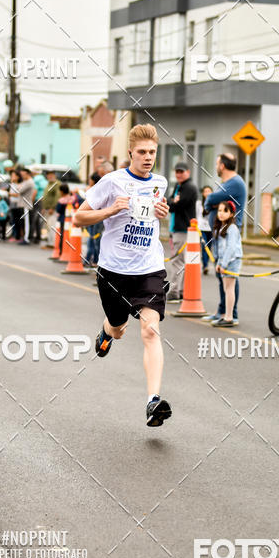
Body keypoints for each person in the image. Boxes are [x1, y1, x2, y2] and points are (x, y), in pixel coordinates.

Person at [73, 123, 172, 427]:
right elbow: (78, 217)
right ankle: (107, 331)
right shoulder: (111, 182)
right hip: (114, 271)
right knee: (119, 329)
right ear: (130, 152)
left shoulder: (161, 182)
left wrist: (162, 213)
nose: (147, 157)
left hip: (149, 268)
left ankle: (153, 402)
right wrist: (109, 211)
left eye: (152, 152)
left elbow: (154, 219)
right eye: (142, 152)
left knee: (150, 331)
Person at [203, 154, 246, 325]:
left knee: (228, 276)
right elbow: (209, 203)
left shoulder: (235, 183)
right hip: (219, 233)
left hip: (227, 234)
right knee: (221, 276)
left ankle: (231, 314)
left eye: (216, 163)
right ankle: (222, 311)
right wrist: (211, 203)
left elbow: (211, 199)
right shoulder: (226, 184)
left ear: (222, 166)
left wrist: (213, 201)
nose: (216, 166)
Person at [166, 162, 198, 301]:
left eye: (182, 171)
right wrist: (173, 201)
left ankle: (174, 291)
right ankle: (180, 290)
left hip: (183, 229)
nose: (179, 174)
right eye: (177, 171)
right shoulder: (179, 186)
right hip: (178, 228)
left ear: (188, 172)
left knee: (177, 261)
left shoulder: (189, 187)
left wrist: (173, 202)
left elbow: (174, 206)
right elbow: (168, 202)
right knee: (181, 261)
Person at [211, 201, 242, 327]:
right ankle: (227, 315)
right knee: (227, 289)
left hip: (232, 261)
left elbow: (231, 248)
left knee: (229, 289)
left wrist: (223, 265)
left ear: (231, 214)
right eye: (219, 210)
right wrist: (219, 262)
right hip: (225, 261)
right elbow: (220, 249)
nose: (221, 214)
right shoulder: (222, 228)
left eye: (225, 211)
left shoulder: (232, 228)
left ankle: (229, 317)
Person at [17, 168, 37, 246]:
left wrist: (18, 187)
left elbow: (19, 190)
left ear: (28, 174)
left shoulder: (29, 182)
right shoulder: (25, 182)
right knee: (23, 223)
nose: (22, 176)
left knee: (26, 223)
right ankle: (25, 237)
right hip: (23, 204)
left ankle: (26, 238)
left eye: (23, 174)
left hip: (26, 205)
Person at [42, 170, 61, 247]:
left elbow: (57, 197)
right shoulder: (48, 184)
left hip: (52, 209)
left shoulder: (56, 184)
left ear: (55, 175)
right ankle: (50, 243)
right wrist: (44, 208)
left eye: (51, 175)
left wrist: (52, 208)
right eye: (48, 175)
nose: (50, 176)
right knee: (48, 226)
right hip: (46, 208)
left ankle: (53, 243)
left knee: (52, 225)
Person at [197, 185, 213, 274]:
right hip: (201, 228)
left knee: (209, 248)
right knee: (204, 246)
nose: (207, 193)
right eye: (205, 191)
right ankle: (205, 265)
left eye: (209, 191)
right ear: (203, 193)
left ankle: (205, 263)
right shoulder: (199, 203)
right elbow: (196, 215)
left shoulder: (214, 203)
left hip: (210, 228)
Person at [30, 166, 47, 243]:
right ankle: (38, 236)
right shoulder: (44, 180)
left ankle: (32, 236)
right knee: (38, 218)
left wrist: (31, 200)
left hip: (37, 200)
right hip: (43, 200)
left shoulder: (35, 179)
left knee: (34, 218)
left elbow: (35, 191)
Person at [8, 170, 24, 242]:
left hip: (17, 204)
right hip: (12, 203)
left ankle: (18, 236)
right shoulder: (12, 184)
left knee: (17, 220)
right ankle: (14, 235)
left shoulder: (20, 185)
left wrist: (10, 194)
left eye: (14, 176)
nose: (12, 177)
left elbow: (18, 194)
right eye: (12, 176)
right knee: (13, 220)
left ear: (18, 177)